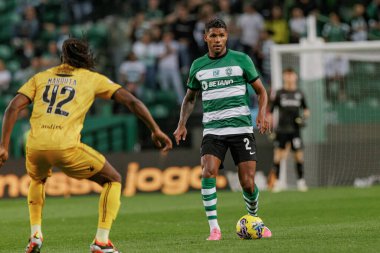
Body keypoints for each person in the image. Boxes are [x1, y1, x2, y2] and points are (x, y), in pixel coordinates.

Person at [0, 38, 172, 253]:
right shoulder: (92, 78)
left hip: (35, 146)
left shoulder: (41, 77)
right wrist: (155, 129)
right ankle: (101, 241)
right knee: (113, 179)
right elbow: (132, 101)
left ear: (62, 56)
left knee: (37, 179)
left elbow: (12, 107)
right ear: (86, 57)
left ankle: (35, 235)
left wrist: (4, 146)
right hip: (65, 146)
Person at [173, 18, 272, 241]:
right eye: (213, 36)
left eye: (222, 35)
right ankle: (214, 228)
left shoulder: (241, 60)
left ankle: (254, 219)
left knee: (247, 182)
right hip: (214, 130)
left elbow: (262, 91)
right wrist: (181, 125)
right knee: (208, 171)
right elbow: (189, 99)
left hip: (241, 129)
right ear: (205, 37)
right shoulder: (198, 65)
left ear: (227, 37)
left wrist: (263, 113)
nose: (218, 40)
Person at [269, 68, 310, 192]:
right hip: (281, 129)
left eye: (291, 75)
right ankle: (276, 183)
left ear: (295, 77)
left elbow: (307, 110)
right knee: (278, 156)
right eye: (287, 75)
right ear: (283, 77)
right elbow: (271, 112)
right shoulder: (279, 93)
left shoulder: (300, 93)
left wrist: (303, 118)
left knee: (298, 156)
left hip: (295, 130)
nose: (289, 77)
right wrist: (271, 129)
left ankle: (301, 182)